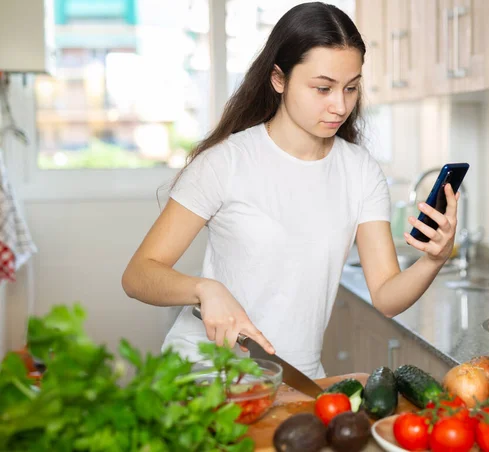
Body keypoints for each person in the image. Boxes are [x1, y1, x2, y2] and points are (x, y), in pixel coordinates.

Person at [122, 2, 459, 379]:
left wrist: (433, 259)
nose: (340, 105)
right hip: (203, 373)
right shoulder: (226, 162)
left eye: (351, 88)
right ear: (279, 79)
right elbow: (138, 275)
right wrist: (205, 288)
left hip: (298, 378)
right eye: (322, 88)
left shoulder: (360, 171)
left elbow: (386, 297)